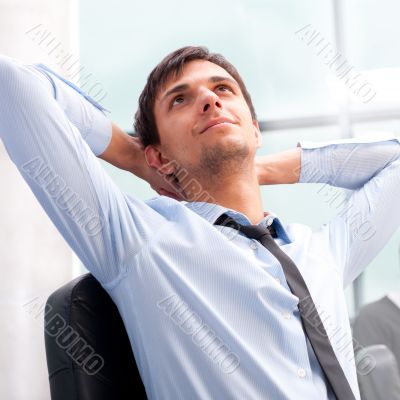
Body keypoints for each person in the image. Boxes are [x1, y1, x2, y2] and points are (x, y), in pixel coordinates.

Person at [0, 46, 399, 400]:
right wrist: (135, 158)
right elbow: (15, 85)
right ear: (159, 156)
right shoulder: (139, 241)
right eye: (180, 100)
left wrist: (257, 167)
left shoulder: (321, 253)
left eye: (223, 89)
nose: (209, 99)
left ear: (255, 129)